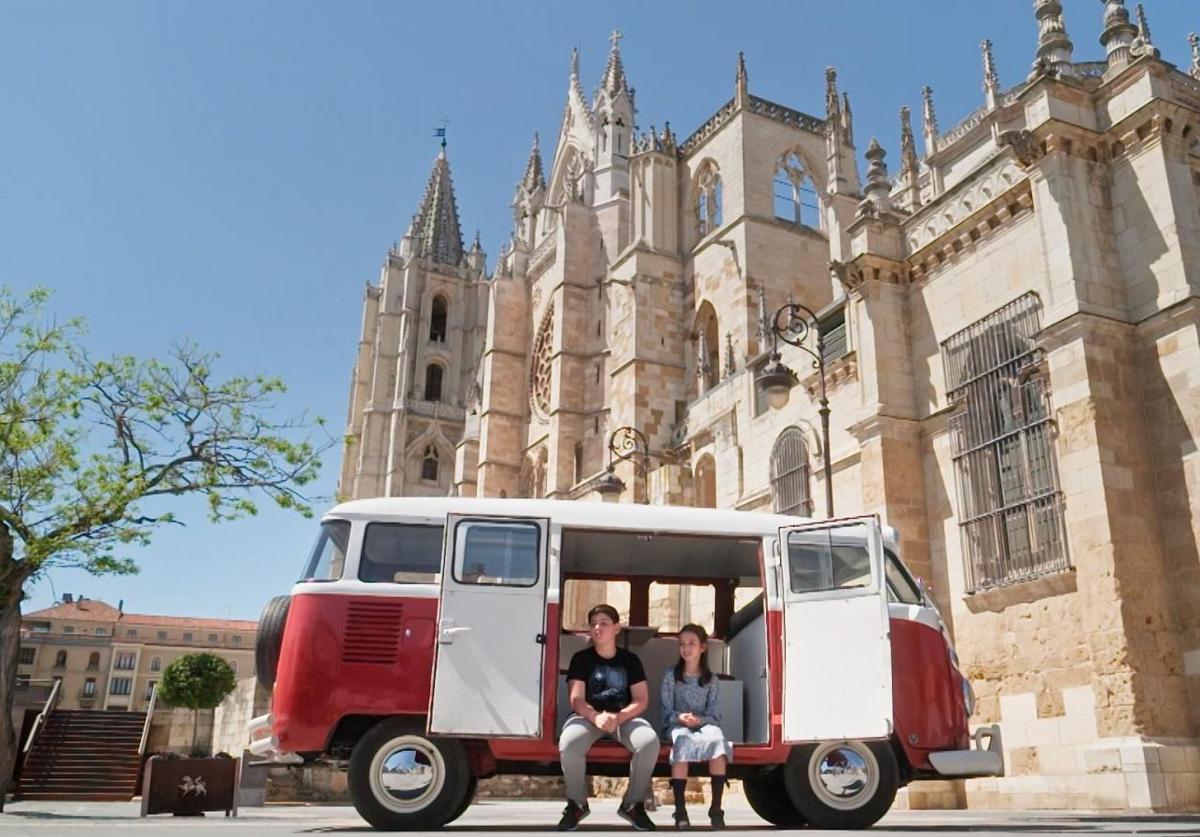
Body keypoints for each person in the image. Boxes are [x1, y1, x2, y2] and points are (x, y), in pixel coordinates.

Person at [558, 604, 658, 832]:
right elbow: (577, 700)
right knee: (569, 742)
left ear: (616, 628)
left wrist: (619, 716)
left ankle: (633, 804)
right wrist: (595, 717)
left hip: (623, 718)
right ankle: (577, 804)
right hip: (588, 717)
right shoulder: (581, 659)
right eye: (593, 624)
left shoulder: (630, 660)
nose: (597, 628)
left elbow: (641, 699)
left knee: (648, 741)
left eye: (603, 623)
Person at [660, 623, 731, 830]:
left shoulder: (711, 680)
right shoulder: (671, 676)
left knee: (718, 740)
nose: (686, 648)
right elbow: (665, 712)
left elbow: (715, 715)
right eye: (682, 644)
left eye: (691, 643)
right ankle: (680, 809)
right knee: (682, 741)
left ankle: (716, 808)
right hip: (678, 724)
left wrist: (699, 721)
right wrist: (680, 717)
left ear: (702, 647)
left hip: (703, 724)